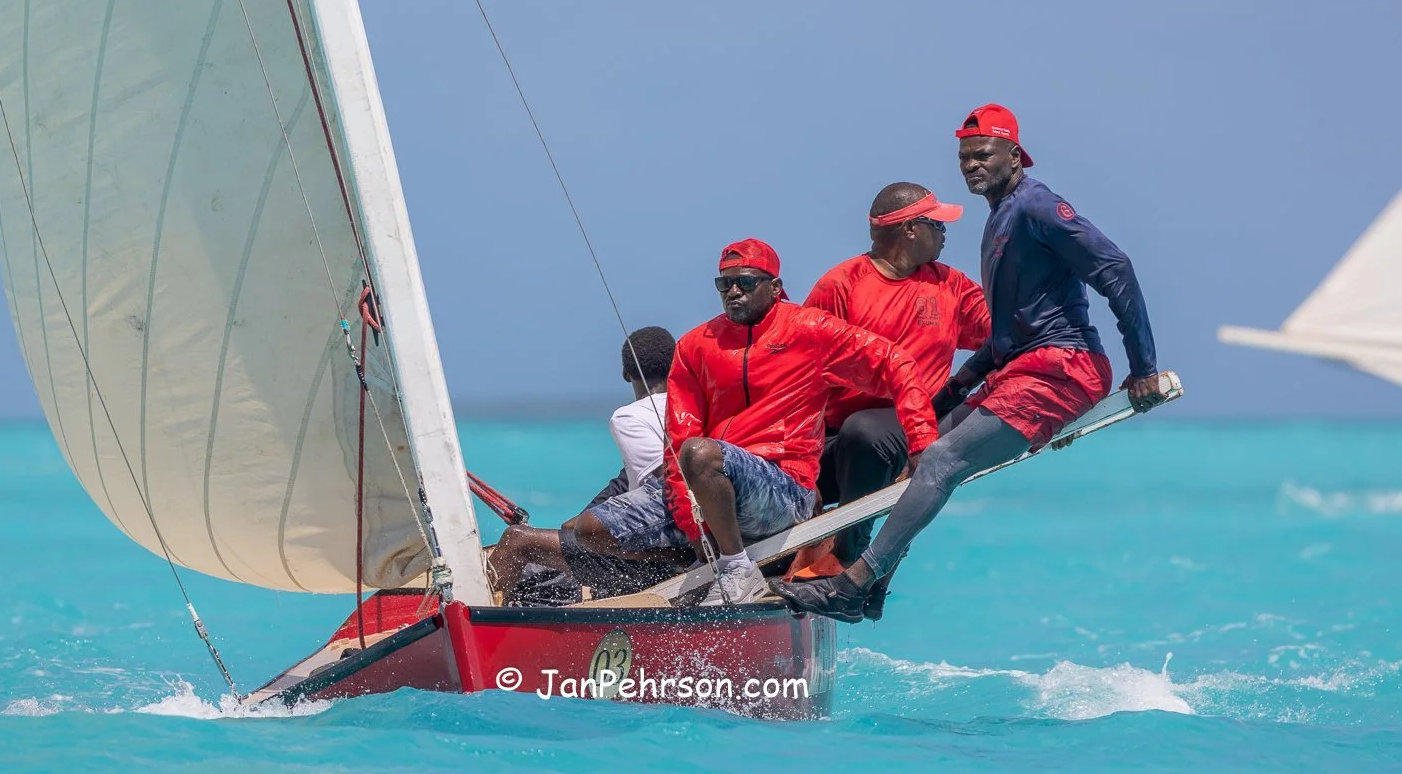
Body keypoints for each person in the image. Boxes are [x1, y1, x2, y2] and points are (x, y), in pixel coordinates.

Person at [775, 103, 1161, 622]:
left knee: (938, 461)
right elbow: (1005, 335)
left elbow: (1116, 268)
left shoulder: (1038, 207)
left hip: (1063, 367)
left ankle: (854, 582)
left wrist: (1144, 368)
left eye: (983, 154)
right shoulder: (999, 219)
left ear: (1015, 155)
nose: (971, 165)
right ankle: (866, 583)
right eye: (964, 157)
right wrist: (950, 393)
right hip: (1022, 368)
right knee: (919, 443)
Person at [490, 238, 939, 606]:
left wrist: (921, 441)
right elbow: (677, 441)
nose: (733, 292)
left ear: (775, 286)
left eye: (745, 282)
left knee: (701, 454)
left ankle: (736, 570)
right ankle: (689, 568)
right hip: (707, 484)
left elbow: (896, 363)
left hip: (784, 486)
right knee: (584, 530)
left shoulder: (812, 331)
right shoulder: (695, 346)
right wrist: (692, 522)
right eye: (724, 284)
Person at [801, 182, 990, 619]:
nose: (945, 233)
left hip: (910, 427)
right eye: (936, 223)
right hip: (835, 439)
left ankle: (851, 560)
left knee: (867, 431)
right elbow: (801, 375)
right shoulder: (841, 285)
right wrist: (800, 465)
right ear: (908, 229)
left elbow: (1003, 335)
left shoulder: (952, 287)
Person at [493, 327, 686, 606]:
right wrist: (582, 519)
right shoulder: (693, 408)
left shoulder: (629, 418)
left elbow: (658, 492)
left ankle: (477, 624)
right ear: (675, 365)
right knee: (563, 545)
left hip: (660, 558)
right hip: (684, 546)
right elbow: (627, 482)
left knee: (516, 541)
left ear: (625, 373)